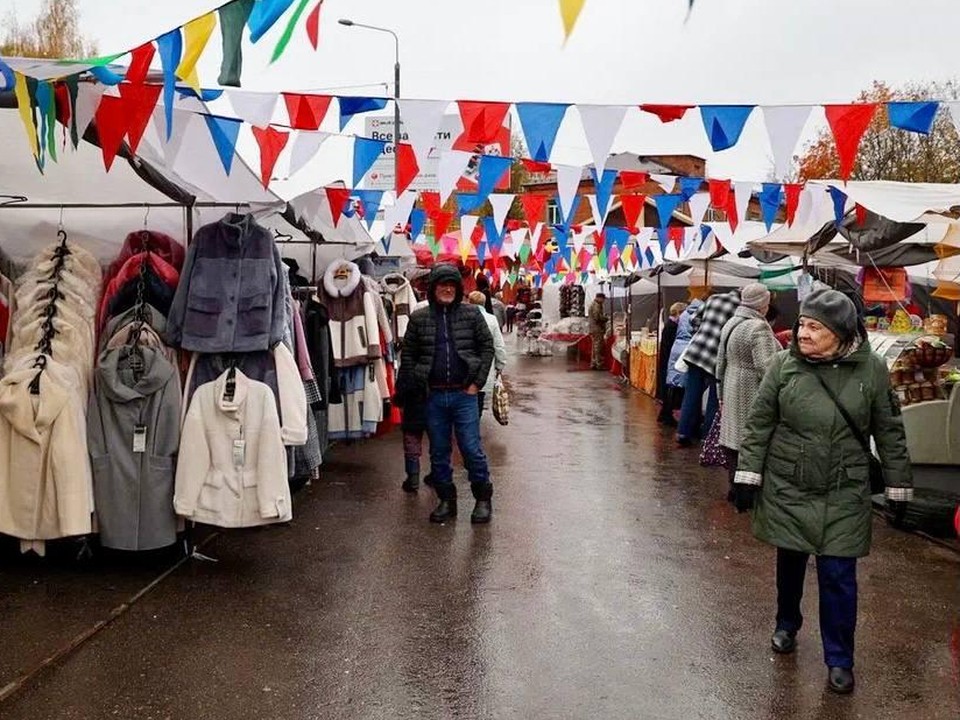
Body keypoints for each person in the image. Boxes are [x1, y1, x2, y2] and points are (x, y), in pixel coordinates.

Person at [732, 289, 913, 695]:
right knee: (790, 561)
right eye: (802, 324)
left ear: (840, 332)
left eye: (815, 327)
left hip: (844, 488)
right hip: (789, 483)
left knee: (838, 576)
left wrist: (900, 489)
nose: (803, 333)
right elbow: (759, 423)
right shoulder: (783, 366)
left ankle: (840, 658)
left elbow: (889, 432)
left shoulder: (872, 370)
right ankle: (786, 622)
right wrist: (746, 475)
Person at [399, 264, 495, 524]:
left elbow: (487, 348)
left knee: (471, 448)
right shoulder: (419, 319)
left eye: (452, 285)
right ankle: (446, 500)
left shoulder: (472, 314)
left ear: (459, 288)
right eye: (442, 284)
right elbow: (408, 355)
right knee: (439, 451)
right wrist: (415, 385)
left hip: (465, 394)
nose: (447, 288)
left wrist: (476, 383)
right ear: (433, 288)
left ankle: (482, 499)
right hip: (433, 397)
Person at [716, 284, 781, 500]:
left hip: (732, 384)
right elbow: (768, 368)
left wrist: (720, 393)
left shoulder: (731, 323)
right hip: (750, 389)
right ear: (764, 304)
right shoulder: (758, 327)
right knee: (751, 440)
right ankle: (747, 492)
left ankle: (734, 488)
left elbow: (720, 362)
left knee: (734, 440)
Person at [676, 289, 740, 446]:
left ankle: (683, 432)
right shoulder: (739, 308)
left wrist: (701, 332)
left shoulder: (714, 298)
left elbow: (693, 319)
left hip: (696, 351)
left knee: (691, 394)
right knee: (714, 398)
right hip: (716, 357)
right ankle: (707, 436)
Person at [467, 291, 507, 417]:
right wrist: (500, 365)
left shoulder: (462, 317)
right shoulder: (491, 319)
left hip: (465, 366)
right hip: (485, 366)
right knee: (479, 395)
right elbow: (498, 346)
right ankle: (474, 423)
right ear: (484, 303)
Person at [665, 301, 701, 424]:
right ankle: (679, 414)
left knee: (673, 382)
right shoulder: (698, 315)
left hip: (676, 347)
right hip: (687, 348)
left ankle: (668, 412)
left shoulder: (684, 315)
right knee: (684, 385)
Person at [656, 302, 687, 425]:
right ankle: (666, 414)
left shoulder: (670, 325)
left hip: (667, 360)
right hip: (670, 361)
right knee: (671, 388)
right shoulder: (673, 327)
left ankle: (665, 413)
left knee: (668, 387)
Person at [588, 293, 609, 370]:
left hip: (593, 328)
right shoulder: (596, 305)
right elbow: (597, 317)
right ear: (599, 298)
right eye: (603, 299)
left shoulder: (594, 304)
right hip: (597, 328)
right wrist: (605, 318)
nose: (603, 301)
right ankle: (599, 364)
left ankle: (594, 363)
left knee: (595, 346)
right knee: (598, 347)